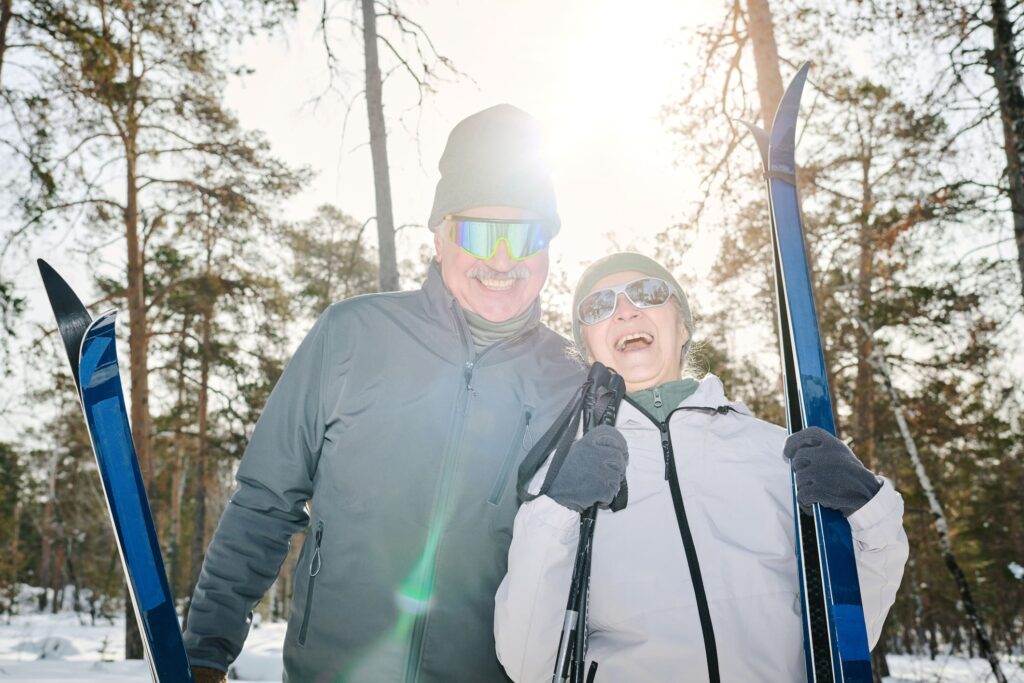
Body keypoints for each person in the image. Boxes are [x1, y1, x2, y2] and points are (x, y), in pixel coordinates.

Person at [184, 104, 584, 683]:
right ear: (441, 238)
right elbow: (265, 501)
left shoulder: (572, 380)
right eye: (479, 232)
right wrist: (203, 652)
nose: (503, 259)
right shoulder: (350, 336)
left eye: (525, 235)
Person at [494, 252, 909, 682]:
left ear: (684, 325)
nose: (625, 311)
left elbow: (851, 632)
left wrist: (867, 509)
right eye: (599, 306)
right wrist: (559, 508)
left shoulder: (777, 455)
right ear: (588, 349)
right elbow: (529, 662)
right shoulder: (563, 477)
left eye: (647, 294)